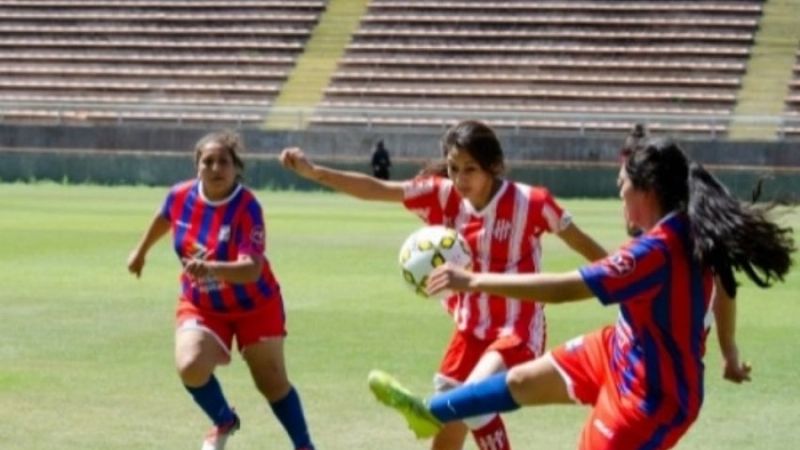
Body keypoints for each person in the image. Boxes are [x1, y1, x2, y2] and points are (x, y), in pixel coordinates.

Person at [368, 137, 795, 450]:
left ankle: (429, 411)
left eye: (622, 184)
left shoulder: (655, 250)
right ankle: (429, 411)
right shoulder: (688, 227)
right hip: (617, 351)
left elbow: (566, 287)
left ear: (646, 190)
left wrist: (473, 280)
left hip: (651, 398)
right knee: (517, 379)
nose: (618, 192)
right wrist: (730, 351)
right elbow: (726, 283)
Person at [280, 120, 607, 450]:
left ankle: (430, 409)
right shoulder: (441, 195)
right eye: (453, 168)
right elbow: (377, 189)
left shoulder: (531, 203)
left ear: (493, 166)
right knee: (450, 423)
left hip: (516, 328)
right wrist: (315, 173)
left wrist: (627, 280)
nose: (460, 179)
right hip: (468, 330)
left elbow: (585, 246)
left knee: (473, 401)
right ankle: (433, 410)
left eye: (470, 169)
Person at [127, 131, 315, 450]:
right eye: (208, 161)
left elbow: (251, 269)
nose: (216, 168)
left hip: (256, 304)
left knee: (271, 383)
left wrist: (211, 268)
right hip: (202, 303)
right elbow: (164, 216)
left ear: (236, 167)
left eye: (223, 162)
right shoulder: (180, 196)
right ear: (197, 167)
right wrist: (141, 250)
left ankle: (304, 446)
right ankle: (223, 419)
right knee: (190, 365)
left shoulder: (247, 206)